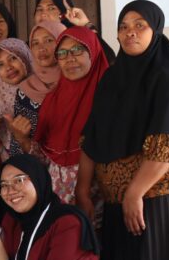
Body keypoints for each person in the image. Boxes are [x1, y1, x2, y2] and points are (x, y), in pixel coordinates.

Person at [79, 0, 169, 260]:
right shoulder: (112, 79)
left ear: (155, 30)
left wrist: (134, 193)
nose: (130, 33)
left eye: (140, 25)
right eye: (123, 27)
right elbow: (92, 136)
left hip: (158, 203)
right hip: (117, 205)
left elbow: (167, 145)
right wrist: (82, 190)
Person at [14, 27, 109, 203]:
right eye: (62, 53)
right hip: (58, 199)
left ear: (93, 52)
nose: (69, 58)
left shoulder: (111, 96)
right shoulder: (53, 100)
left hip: (101, 197)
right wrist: (23, 139)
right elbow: (45, 159)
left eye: (77, 50)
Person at [0, 39, 37, 165]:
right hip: (11, 170)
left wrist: (23, 139)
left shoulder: (44, 93)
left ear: (25, 56)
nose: (8, 67)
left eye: (13, 58)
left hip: (44, 170)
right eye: (0, 64)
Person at [35, 0, 116, 64]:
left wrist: (85, 24)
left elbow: (108, 61)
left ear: (64, 13)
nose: (43, 14)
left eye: (51, 8)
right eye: (39, 9)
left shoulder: (78, 41)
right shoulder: (30, 46)